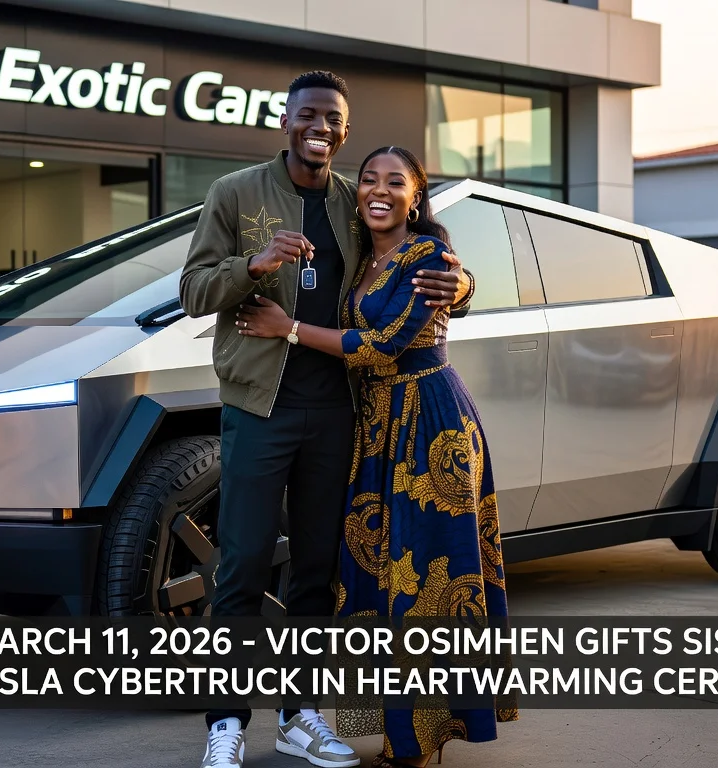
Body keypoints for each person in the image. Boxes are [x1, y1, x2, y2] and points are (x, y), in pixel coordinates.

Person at [179, 72, 472, 768]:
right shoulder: (235, 193)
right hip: (259, 405)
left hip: (340, 410)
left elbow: (409, 255)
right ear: (285, 121)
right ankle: (226, 723)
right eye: (308, 114)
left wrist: (462, 286)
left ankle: (298, 714)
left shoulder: (353, 198)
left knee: (315, 569)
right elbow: (192, 291)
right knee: (243, 565)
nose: (321, 128)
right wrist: (255, 263)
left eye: (333, 119)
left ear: (344, 130)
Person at [236, 146, 514, 768]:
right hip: (376, 427)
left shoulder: (427, 255)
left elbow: (383, 344)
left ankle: (422, 740)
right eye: (368, 180)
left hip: (430, 423)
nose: (379, 190)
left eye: (395, 182)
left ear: (416, 197)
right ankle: (398, 729)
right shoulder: (361, 254)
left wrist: (287, 329)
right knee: (380, 576)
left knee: (430, 579)